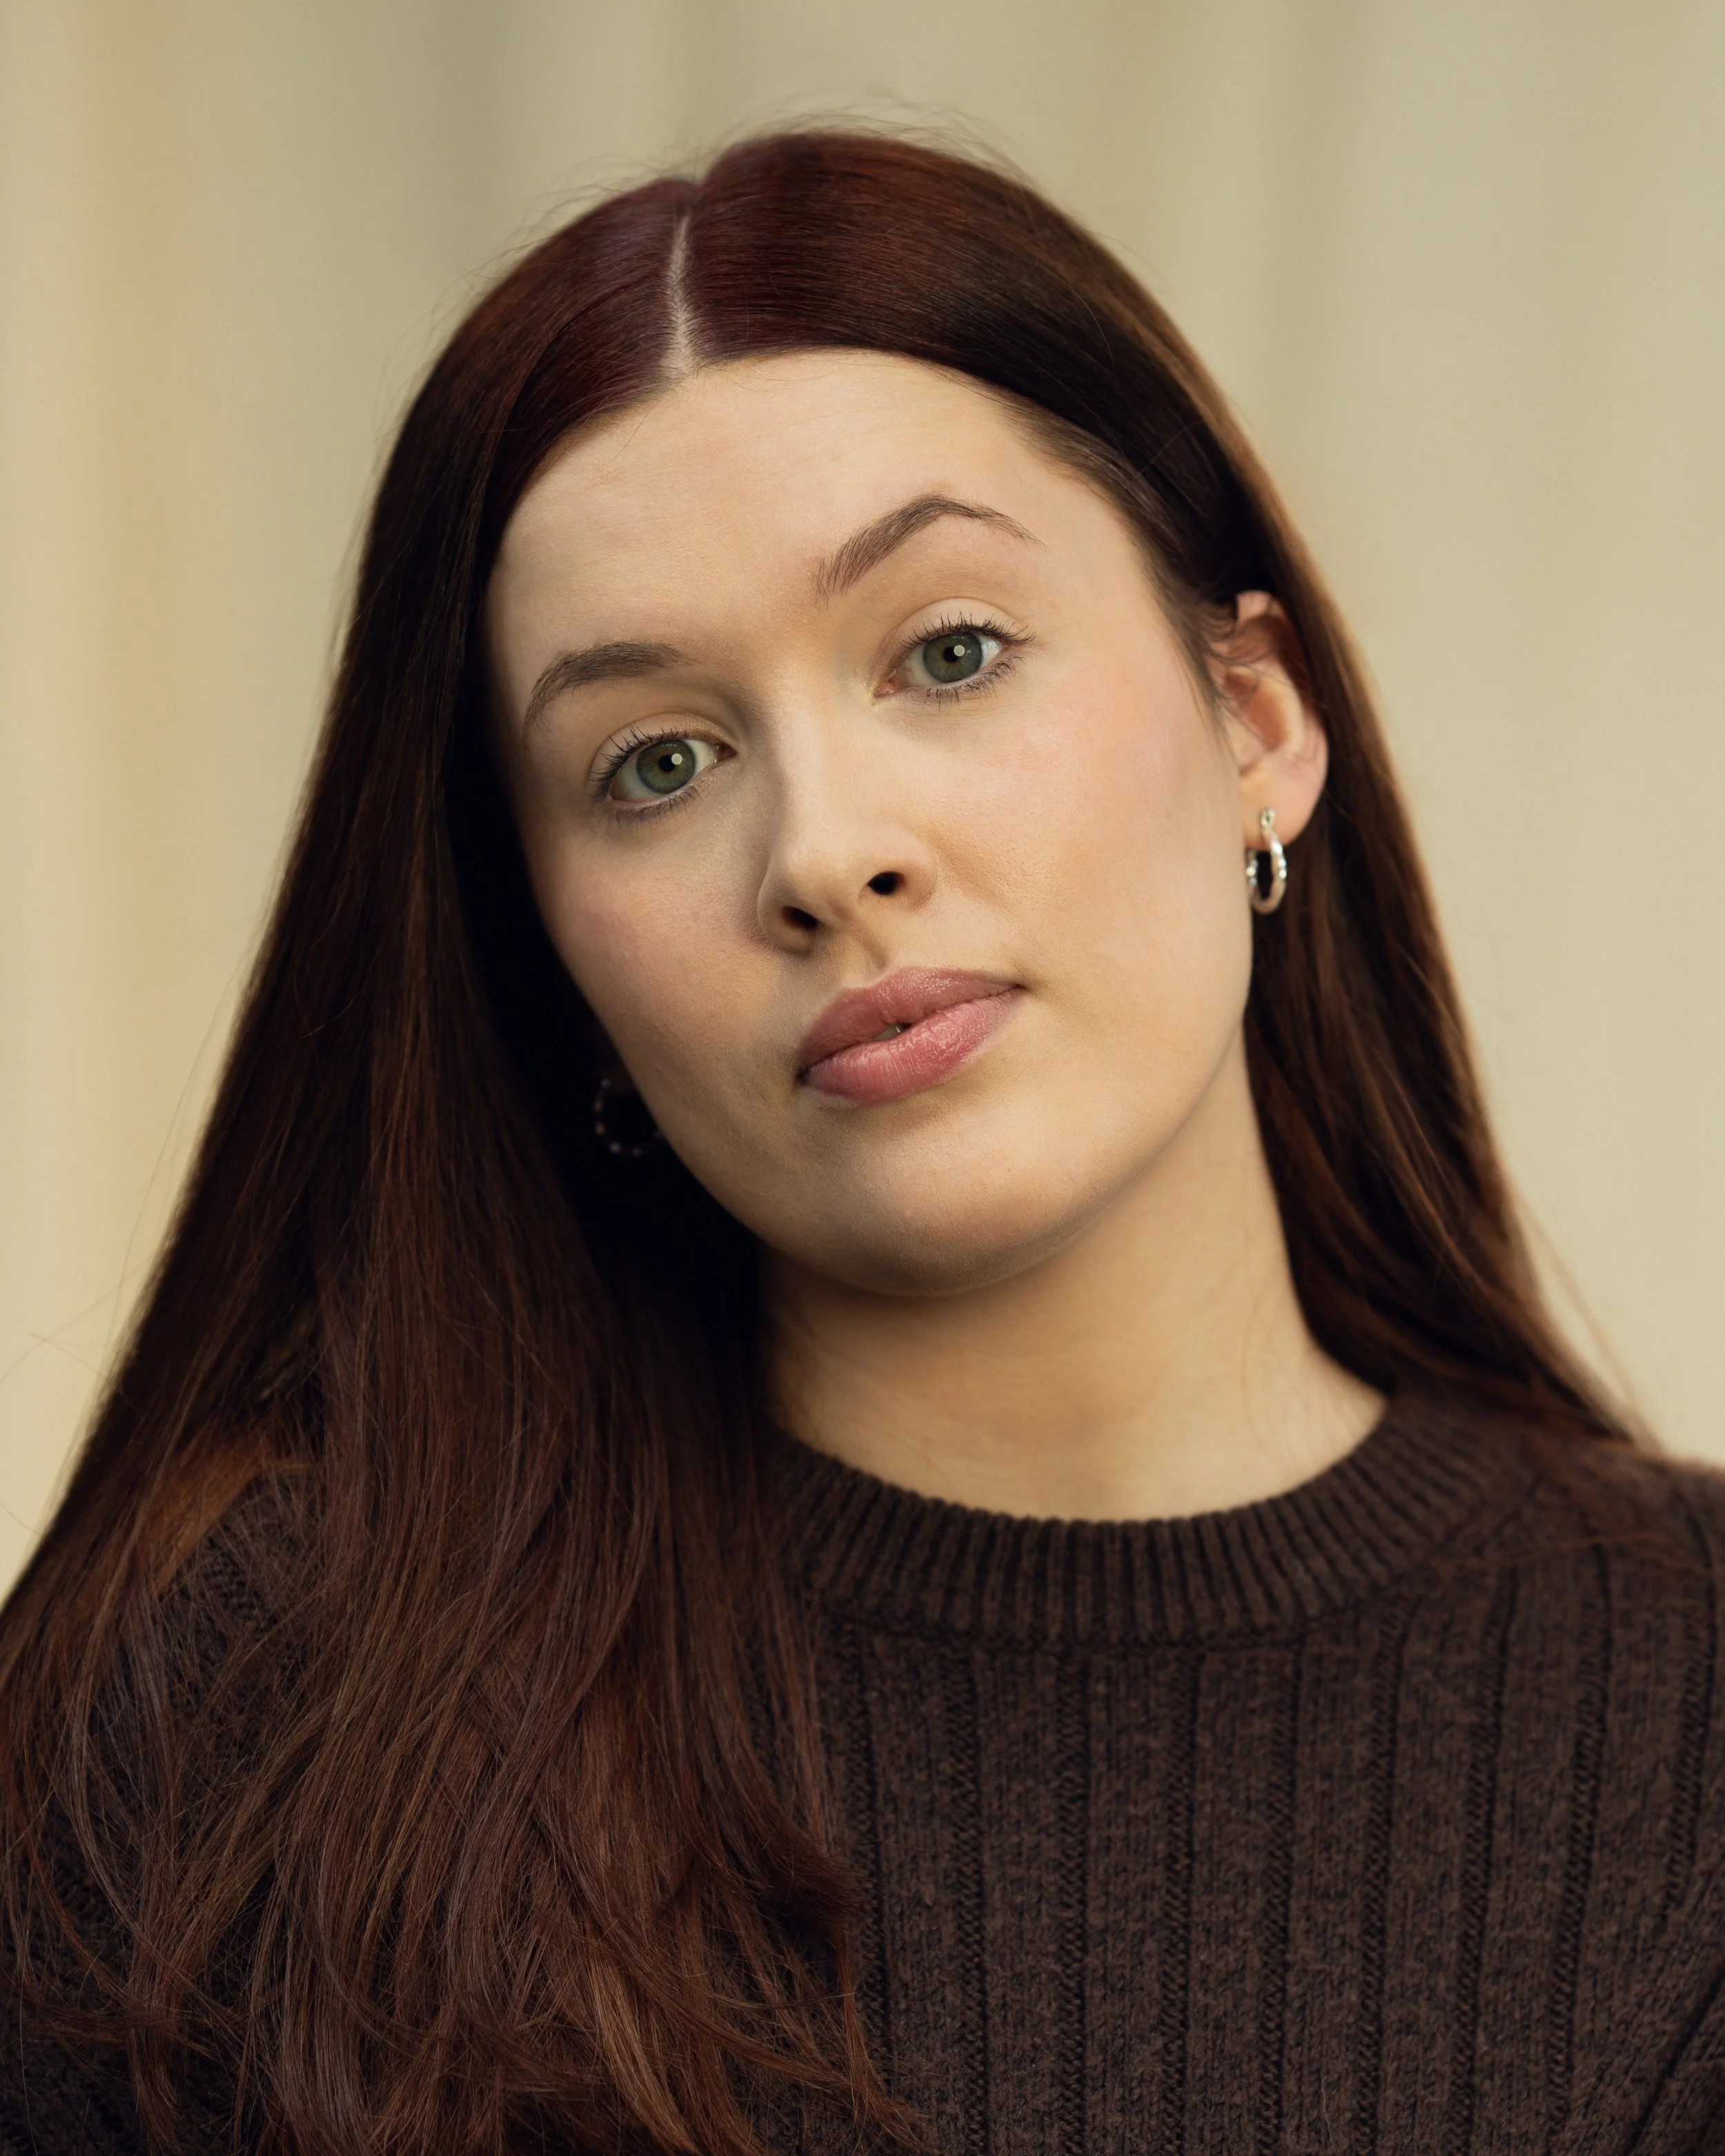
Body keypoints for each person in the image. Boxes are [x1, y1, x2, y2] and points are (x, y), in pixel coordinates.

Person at [1, 127, 1722, 2156]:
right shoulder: (251, 1703)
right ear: (548, 951)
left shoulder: (1686, 1695)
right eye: (653, 764)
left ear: (1252, 720)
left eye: (949, 651)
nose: (826, 852)